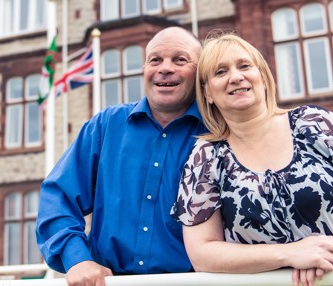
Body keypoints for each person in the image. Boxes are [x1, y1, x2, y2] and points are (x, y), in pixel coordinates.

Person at [36, 26, 207, 286]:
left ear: (200, 72)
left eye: (180, 60)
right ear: (145, 69)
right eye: (155, 60)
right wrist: (77, 259)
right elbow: (57, 197)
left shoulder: (215, 133)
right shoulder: (106, 126)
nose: (165, 68)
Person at [171, 32, 333, 286]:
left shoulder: (315, 124)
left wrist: (321, 252)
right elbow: (202, 253)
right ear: (208, 93)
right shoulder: (206, 157)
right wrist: (290, 254)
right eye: (220, 72)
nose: (236, 77)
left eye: (244, 66)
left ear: (263, 77)